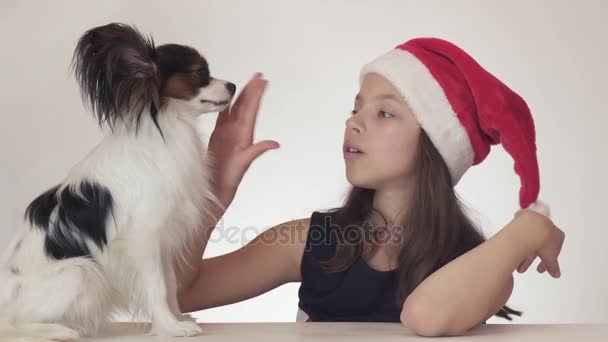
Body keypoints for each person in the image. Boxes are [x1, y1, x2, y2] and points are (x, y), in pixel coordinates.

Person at [174, 37, 565, 337]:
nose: (354, 123)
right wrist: (211, 194)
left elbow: (424, 315)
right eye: (355, 108)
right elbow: (177, 295)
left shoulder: (480, 265)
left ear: (436, 144)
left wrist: (527, 227)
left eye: (384, 112)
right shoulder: (310, 240)